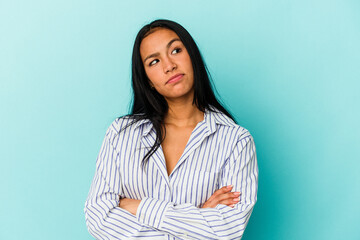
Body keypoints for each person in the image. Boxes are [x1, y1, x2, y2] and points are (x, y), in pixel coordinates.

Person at [84, 19, 258, 239]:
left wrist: (138, 206)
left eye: (176, 50)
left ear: (192, 56)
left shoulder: (236, 141)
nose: (169, 65)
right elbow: (98, 218)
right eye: (154, 61)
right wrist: (199, 217)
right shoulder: (121, 134)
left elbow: (226, 230)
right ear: (147, 80)